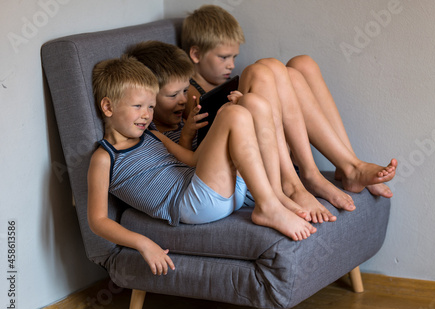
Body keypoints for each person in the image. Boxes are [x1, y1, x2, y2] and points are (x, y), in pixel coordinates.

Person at [87, 56, 317, 275]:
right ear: (108, 107)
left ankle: (274, 195)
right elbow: (98, 221)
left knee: (246, 105)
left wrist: (227, 115)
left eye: (150, 107)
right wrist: (143, 243)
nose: (146, 115)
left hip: (221, 191)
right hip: (192, 204)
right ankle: (268, 206)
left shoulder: (153, 136)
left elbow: (194, 160)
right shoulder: (105, 157)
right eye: (138, 106)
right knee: (233, 115)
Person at [181, 5, 397, 208]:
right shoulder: (189, 92)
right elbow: (210, 139)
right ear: (196, 55)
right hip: (248, 158)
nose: (231, 64)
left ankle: (348, 164)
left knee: (301, 65)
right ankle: (308, 177)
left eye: (234, 57)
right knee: (261, 71)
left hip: (270, 141)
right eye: (223, 57)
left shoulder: (222, 84)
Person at [126, 40, 335, 223]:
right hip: (223, 178)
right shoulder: (150, 133)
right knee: (251, 92)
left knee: (264, 81)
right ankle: (285, 188)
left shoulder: (183, 115)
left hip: (241, 162)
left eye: (184, 91)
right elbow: (187, 164)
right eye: (172, 95)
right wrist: (193, 133)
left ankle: (308, 178)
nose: (182, 100)